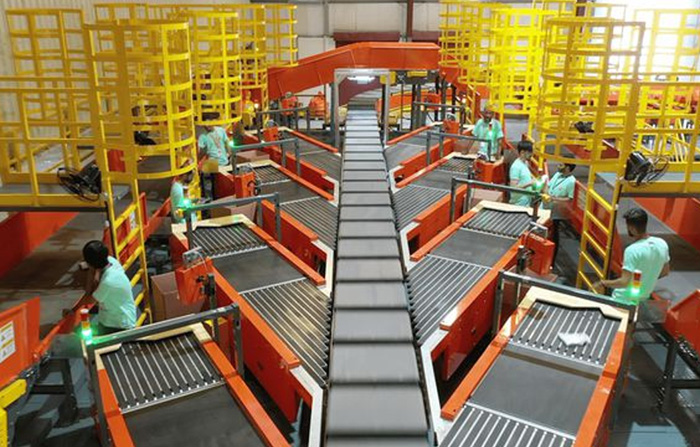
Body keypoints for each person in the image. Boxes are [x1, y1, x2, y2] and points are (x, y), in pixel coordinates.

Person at [595, 208, 670, 305]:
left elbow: (624, 282)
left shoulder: (632, 250)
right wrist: (648, 278)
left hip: (622, 300)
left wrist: (603, 283)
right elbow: (665, 272)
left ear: (631, 228)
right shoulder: (662, 244)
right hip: (642, 299)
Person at [83, 241, 137, 335]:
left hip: (118, 326)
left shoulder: (108, 281)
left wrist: (73, 310)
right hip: (113, 320)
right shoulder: (112, 262)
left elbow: (89, 299)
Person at [543, 163, 576, 262]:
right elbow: (549, 186)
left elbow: (570, 199)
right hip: (546, 210)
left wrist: (554, 199)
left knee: (553, 237)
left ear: (568, 168)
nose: (558, 166)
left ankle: (551, 261)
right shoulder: (557, 175)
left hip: (557, 214)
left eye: (561, 165)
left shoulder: (571, 182)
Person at [509, 140, 537, 206]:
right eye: (530, 152)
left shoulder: (525, 163)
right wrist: (530, 183)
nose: (532, 154)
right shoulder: (516, 167)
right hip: (518, 204)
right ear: (522, 152)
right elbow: (514, 187)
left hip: (526, 201)